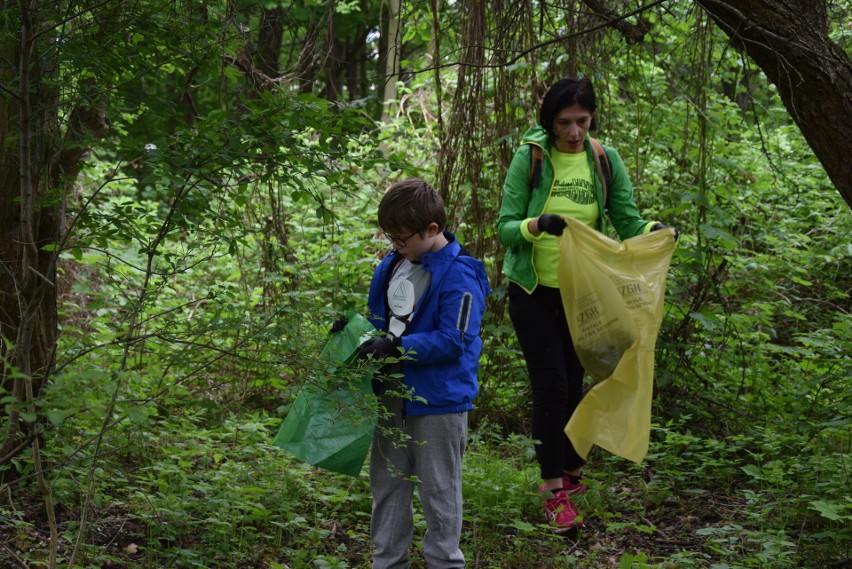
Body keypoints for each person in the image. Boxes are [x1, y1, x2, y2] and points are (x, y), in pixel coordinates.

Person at [496, 77, 675, 533]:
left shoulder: (603, 159)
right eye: (564, 123)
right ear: (549, 122)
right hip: (533, 290)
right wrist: (538, 224)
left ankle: (573, 471)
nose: (574, 132)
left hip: (585, 294)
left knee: (581, 384)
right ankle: (553, 490)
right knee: (552, 387)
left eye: (582, 121)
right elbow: (506, 227)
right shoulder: (531, 157)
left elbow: (627, 218)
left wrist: (655, 228)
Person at [350, 178, 491, 568]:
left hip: (439, 401)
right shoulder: (394, 264)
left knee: (439, 491)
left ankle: (445, 562)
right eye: (390, 238)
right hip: (391, 394)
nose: (395, 245)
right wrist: (353, 333)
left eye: (401, 238)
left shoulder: (461, 275)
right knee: (388, 486)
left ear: (432, 230)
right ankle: (387, 562)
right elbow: (384, 323)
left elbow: (454, 340)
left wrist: (399, 348)